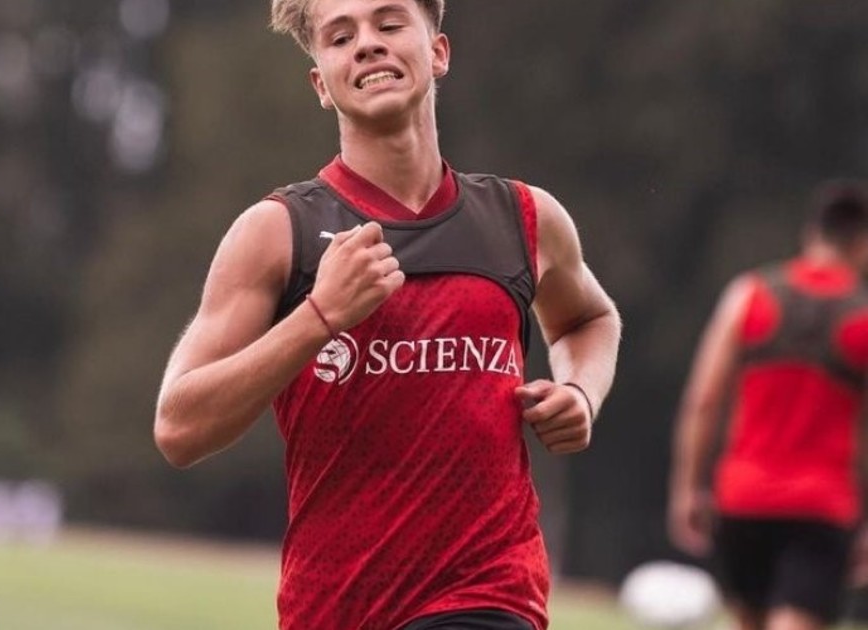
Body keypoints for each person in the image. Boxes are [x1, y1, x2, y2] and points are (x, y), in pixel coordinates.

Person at [153, 1, 621, 628]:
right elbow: (179, 428)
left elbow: (589, 319)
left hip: (490, 594)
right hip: (335, 608)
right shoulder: (278, 232)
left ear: (439, 51)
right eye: (340, 37)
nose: (368, 44)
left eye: (390, 23)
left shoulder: (521, 218)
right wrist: (319, 315)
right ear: (321, 84)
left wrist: (580, 392)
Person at [668, 180, 868, 630]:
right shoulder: (861, 317)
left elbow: (703, 400)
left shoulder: (749, 295)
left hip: (744, 499)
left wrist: (688, 488)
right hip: (822, 506)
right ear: (861, 244)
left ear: (812, 233)